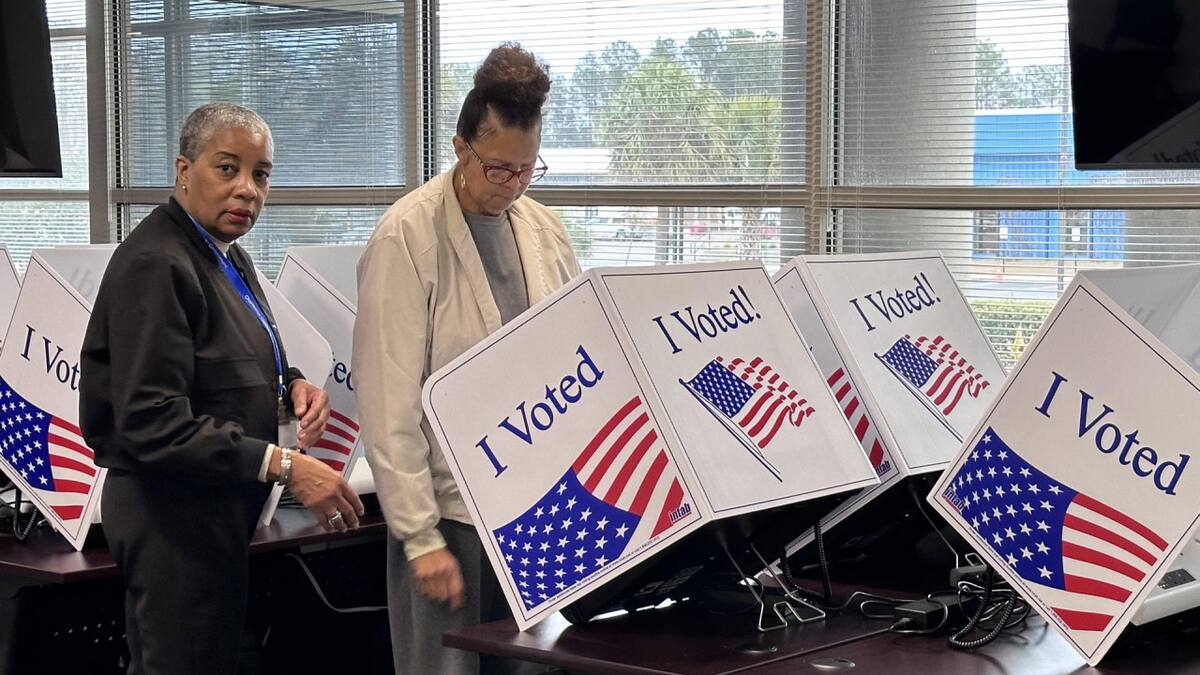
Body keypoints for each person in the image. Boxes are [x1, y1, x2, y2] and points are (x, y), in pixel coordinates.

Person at [79, 102, 364, 675]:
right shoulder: (157, 264)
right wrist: (285, 465)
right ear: (184, 170)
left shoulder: (226, 256)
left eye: (261, 175)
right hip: (170, 516)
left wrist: (295, 385)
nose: (247, 190)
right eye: (227, 168)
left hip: (216, 512)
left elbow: (239, 358)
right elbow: (150, 419)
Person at [354, 43, 580, 673]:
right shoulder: (406, 237)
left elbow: (578, 364)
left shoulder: (545, 231)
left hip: (535, 511)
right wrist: (420, 537)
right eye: (498, 168)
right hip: (446, 515)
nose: (510, 185)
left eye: (527, 169)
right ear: (461, 147)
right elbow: (387, 401)